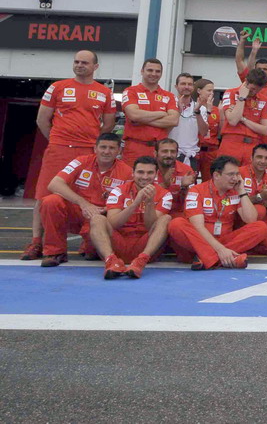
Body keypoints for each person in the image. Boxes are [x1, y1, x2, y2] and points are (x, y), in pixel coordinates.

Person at [24, 50, 116, 260]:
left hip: (88, 150)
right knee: (44, 196)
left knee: (88, 195)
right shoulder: (57, 87)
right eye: (76, 61)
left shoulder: (104, 92)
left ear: (95, 67)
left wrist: (93, 144)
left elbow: (109, 124)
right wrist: (57, 140)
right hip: (59, 149)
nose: (79, 65)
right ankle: (36, 242)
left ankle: (88, 240)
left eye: (85, 62)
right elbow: (42, 120)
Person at [38, 133, 132, 266]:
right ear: (95, 148)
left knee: (92, 253)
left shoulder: (127, 172)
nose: (106, 151)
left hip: (101, 216)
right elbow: (54, 184)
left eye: (112, 148)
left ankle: (89, 246)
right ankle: (55, 252)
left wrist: (105, 210)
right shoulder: (81, 161)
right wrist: (83, 203)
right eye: (103, 147)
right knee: (50, 201)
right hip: (77, 210)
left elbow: (128, 201)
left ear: (119, 151)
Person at [167, 155, 267, 270]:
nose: (235, 178)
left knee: (261, 227)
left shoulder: (235, 191)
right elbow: (198, 227)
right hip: (199, 242)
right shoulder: (197, 190)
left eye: (237, 174)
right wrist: (221, 249)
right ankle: (223, 258)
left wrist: (242, 191)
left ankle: (208, 258)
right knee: (176, 224)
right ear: (216, 175)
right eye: (231, 174)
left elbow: (251, 219)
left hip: (225, 241)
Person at [95, 156, 173, 279]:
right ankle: (111, 260)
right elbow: (113, 223)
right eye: (140, 172)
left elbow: (151, 226)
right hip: (119, 243)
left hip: (146, 245)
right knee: (97, 219)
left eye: (150, 173)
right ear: (133, 173)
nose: (145, 177)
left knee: (166, 219)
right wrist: (135, 203)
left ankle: (141, 260)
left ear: (156, 174)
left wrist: (149, 203)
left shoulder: (165, 194)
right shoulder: (117, 191)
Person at [121, 58, 179, 165]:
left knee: (159, 176)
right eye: (150, 70)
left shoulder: (169, 96)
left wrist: (142, 119)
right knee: (131, 175)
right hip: (135, 147)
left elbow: (173, 121)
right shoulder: (130, 91)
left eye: (157, 71)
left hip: (160, 149)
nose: (154, 74)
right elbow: (134, 115)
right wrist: (161, 114)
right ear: (142, 71)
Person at [219, 68, 267, 167]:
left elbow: (265, 130)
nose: (254, 92)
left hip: (253, 145)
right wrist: (241, 98)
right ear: (246, 81)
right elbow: (233, 121)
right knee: (227, 173)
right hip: (231, 143)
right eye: (252, 89)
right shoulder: (230, 93)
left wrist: (243, 119)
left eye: (258, 90)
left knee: (249, 176)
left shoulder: (264, 99)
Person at [240, 143, 267, 256]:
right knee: (259, 210)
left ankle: (248, 247)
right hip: (237, 220)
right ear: (251, 158)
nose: (263, 161)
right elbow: (227, 202)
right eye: (259, 157)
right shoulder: (239, 174)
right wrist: (260, 197)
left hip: (261, 226)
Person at [167, 73, 204, 170]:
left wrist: (197, 112)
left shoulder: (201, 108)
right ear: (176, 86)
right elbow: (165, 131)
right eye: (183, 84)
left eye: (190, 84)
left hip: (191, 155)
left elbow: (203, 132)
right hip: (170, 153)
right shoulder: (168, 105)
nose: (186, 87)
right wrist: (178, 111)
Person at [154, 138, 196, 216]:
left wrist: (184, 188)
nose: (169, 155)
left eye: (172, 152)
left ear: (177, 154)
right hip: (153, 212)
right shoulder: (148, 169)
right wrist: (164, 185)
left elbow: (191, 202)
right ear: (155, 153)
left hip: (177, 214)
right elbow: (142, 196)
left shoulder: (186, 170)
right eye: (164, 151)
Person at [194, 78, 221, 181]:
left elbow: (219, 132)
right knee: (191, 179)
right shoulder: (193, 107)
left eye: (213, 91)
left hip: (211, 151)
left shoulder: (217, 110)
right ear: (199, 91)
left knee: (210, 180)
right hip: (196, 150)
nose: (211, 93)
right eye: (209, 90)